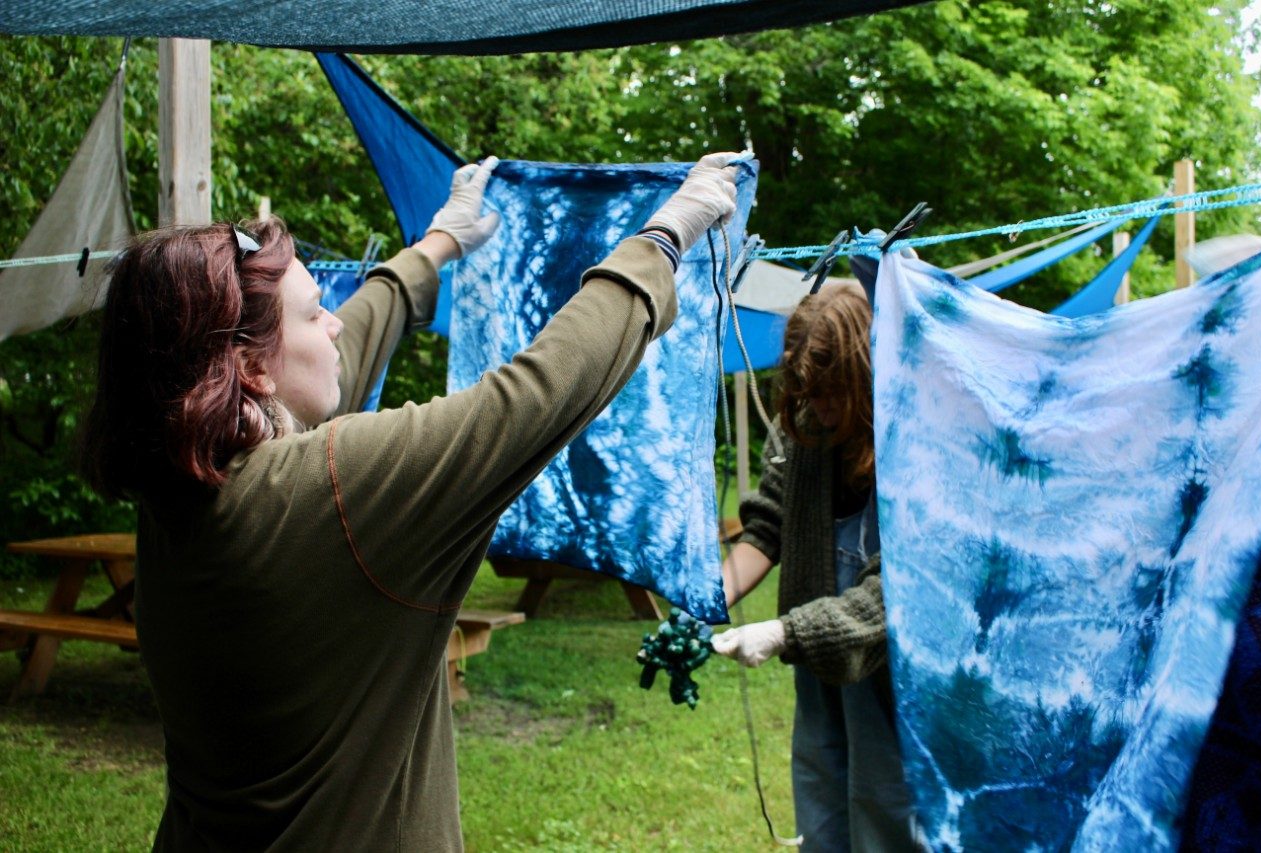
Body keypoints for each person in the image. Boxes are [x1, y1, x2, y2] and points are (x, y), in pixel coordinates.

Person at [82, 151, 744, 851]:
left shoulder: (180, 488)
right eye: (315, 313)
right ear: (249, 367)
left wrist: (438, 245)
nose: (335, 322)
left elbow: (346, 339)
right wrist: (664, 238)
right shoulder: (329, 494)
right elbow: (535, 398)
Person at [711, 283, 924, 852]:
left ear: (865, 374)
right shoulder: (800, 425)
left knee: (886, 808)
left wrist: (783, 631)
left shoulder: (914, 440)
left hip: (892, 673)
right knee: (820, 799)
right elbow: (766, 529)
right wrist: (703, 598)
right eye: (807, 392)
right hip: (818, 661)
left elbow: (897, 592)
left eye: (832, 393)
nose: (820, 407)